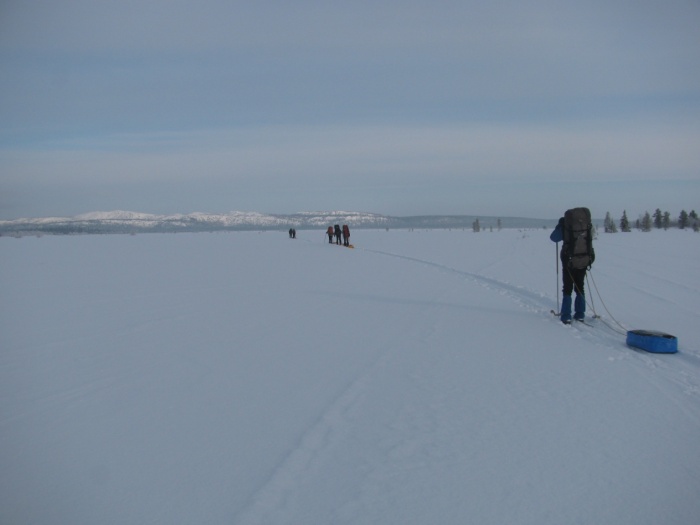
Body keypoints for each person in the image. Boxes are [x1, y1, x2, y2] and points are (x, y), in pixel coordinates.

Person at [550, 210, 594, 324]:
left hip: (569, 261)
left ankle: (566, 316)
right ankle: (580, 314)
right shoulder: (586, 225)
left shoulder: (566, 225)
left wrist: (560, 225)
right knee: (580, 286)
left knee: (567, 288)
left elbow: (554, 238)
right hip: (584, 259)